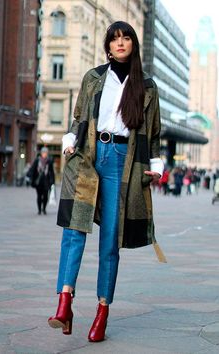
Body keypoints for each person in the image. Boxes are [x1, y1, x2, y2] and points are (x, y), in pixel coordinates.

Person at [48, 21, 166, 342]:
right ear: (108, 46)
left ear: (133, 45)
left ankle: (102, 311)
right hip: (88, 156)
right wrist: (71, 140)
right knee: (73, 229)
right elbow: (78, 118)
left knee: (110, 240)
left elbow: (153, 134)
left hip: (121, 163)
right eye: (114, 39)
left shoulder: (148, 87)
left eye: (126, 37)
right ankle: (64, 302)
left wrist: (155, 166)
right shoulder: (94, 78)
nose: (120, 43)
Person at [27, 147, 55, 214]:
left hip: (46, 181)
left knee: (45, 196)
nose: (44, 154)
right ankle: (39, 210)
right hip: (38, 181)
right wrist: (29, 177)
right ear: (41, 153)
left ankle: (44, 209)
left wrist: (52, 181)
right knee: (39, 196)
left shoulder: (49, 161)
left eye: (46, 153)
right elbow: (32, 169)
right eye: (43, 153)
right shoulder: (37, 160)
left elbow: (51, 172)